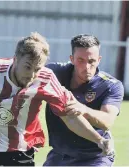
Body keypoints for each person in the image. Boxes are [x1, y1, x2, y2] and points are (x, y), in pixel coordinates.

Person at [0, 32, 113, 166]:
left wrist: (99, 140)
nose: (31, 75)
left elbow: (69, 117)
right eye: (27, 67)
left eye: (37, 68)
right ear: (15, 59)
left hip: (22, 150)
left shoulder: (46, 78)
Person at [43, 34, 124, 166]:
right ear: (72, 59)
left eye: (91, 61)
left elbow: (107, 121)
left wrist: (83, 109)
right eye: (81, 60)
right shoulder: (55, 73)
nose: (87, 67)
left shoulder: (111, 85)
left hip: (95, 155)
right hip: (60, 154)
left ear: (99, 60)